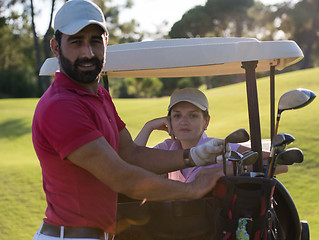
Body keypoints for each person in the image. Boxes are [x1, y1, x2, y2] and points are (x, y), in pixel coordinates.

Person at [31, 1, 230, 240]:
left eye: (95, 41)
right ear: (56, 47)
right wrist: (191, 189)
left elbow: (132, 154)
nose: (88, 53)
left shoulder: (99, 96)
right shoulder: (61, 105)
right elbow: (120, 175)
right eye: (76, 42)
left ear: (105, 43)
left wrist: (194, 156)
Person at [135, 88, 288, 182]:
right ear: (169, 120)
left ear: (206, 121)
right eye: (177, 116)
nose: (183, 122)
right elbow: (131, 162)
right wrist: (148, 127)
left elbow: (280, 164)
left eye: (193, 116)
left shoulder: (218, 147)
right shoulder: (167, 148)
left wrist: (218, 171)